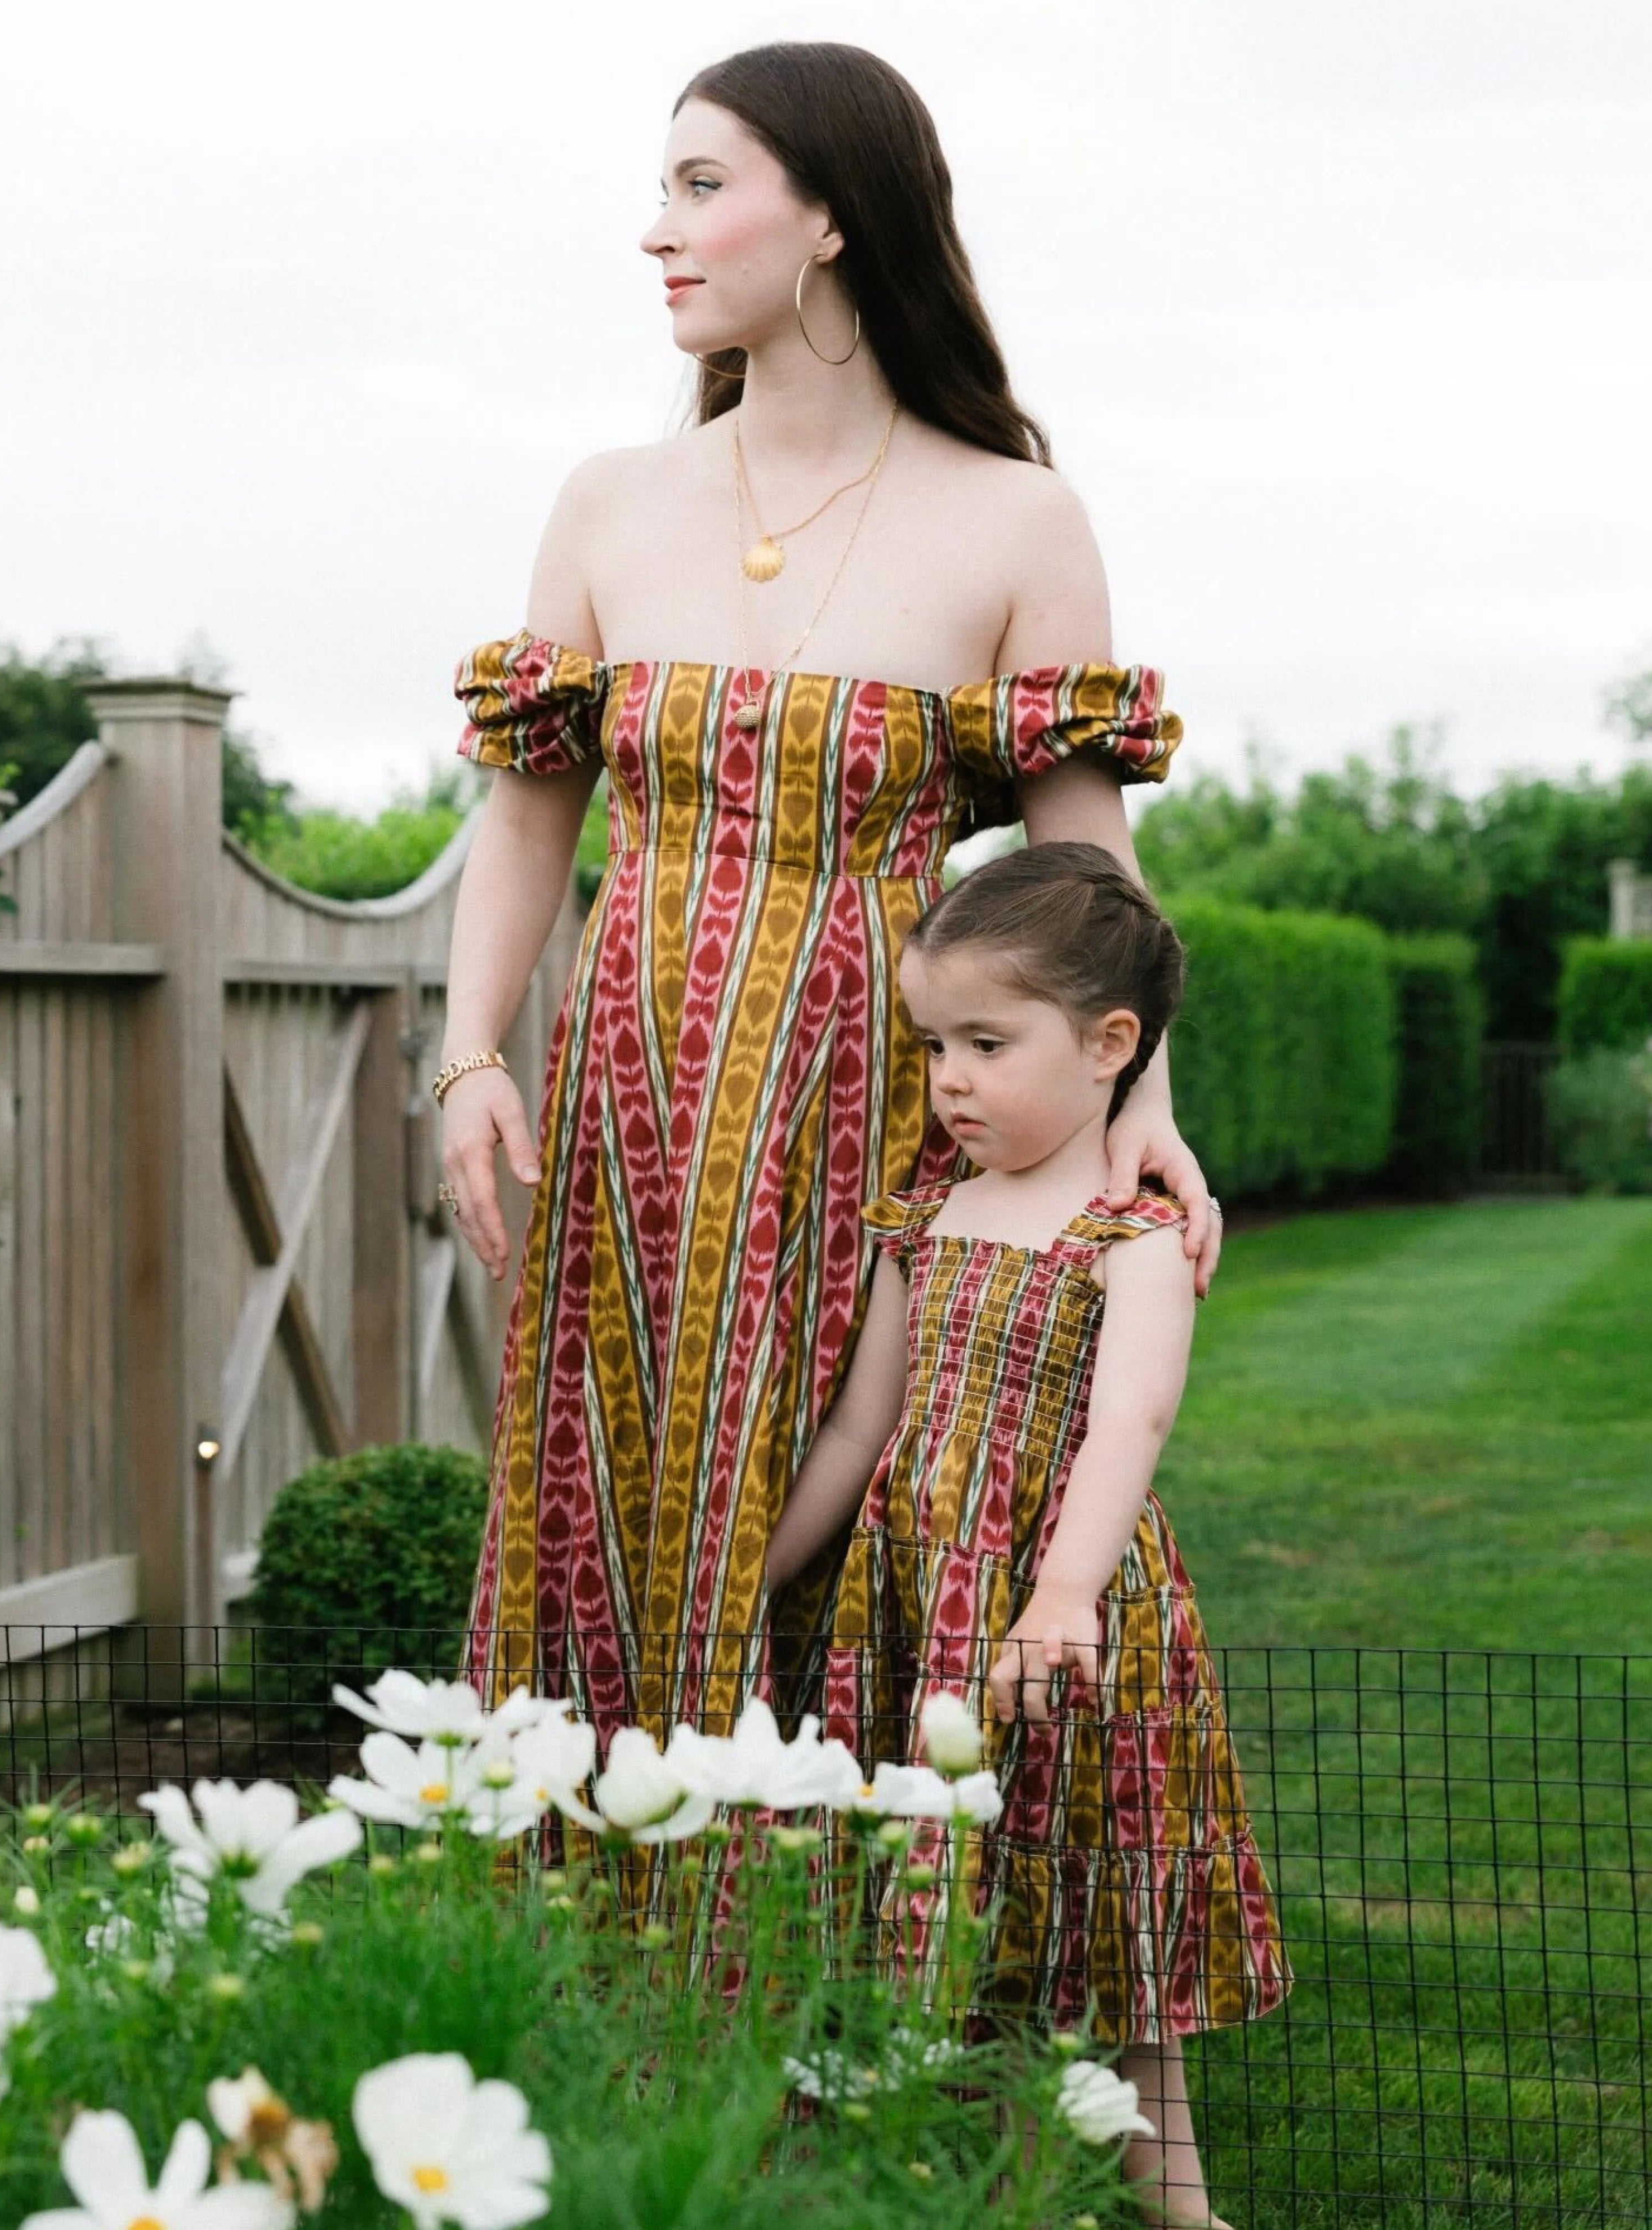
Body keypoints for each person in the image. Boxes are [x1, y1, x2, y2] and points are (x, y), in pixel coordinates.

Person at [436, 41, 1222, 1746]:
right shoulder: (607, 503)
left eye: (702, 185)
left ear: (835, 219)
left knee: (836, 1469)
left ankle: (815, 1884)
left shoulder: (1016, 519)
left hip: (870, 1092)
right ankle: (593, 1869)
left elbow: (1084, 870)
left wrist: (1143, 1103)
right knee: (612, 1466)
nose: (658, 229)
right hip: (630, 1100)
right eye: (662, 189)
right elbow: (528, 818)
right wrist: (469, 1052)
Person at [766, 842, 1289, 2230]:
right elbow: (859, 1427)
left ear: (1108, 1044)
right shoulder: (926, 1214)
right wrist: (757, 1570)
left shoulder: (1134, 1232)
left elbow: (1130, 1421)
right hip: (921, 1605)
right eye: (933, 1043)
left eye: (985, 1044)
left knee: (1099, 1914)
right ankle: (991, 2182)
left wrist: (1059, 1593)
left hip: (1058, 1617)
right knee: (960, 1909)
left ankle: (1177, 2203)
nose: (947, 1078)